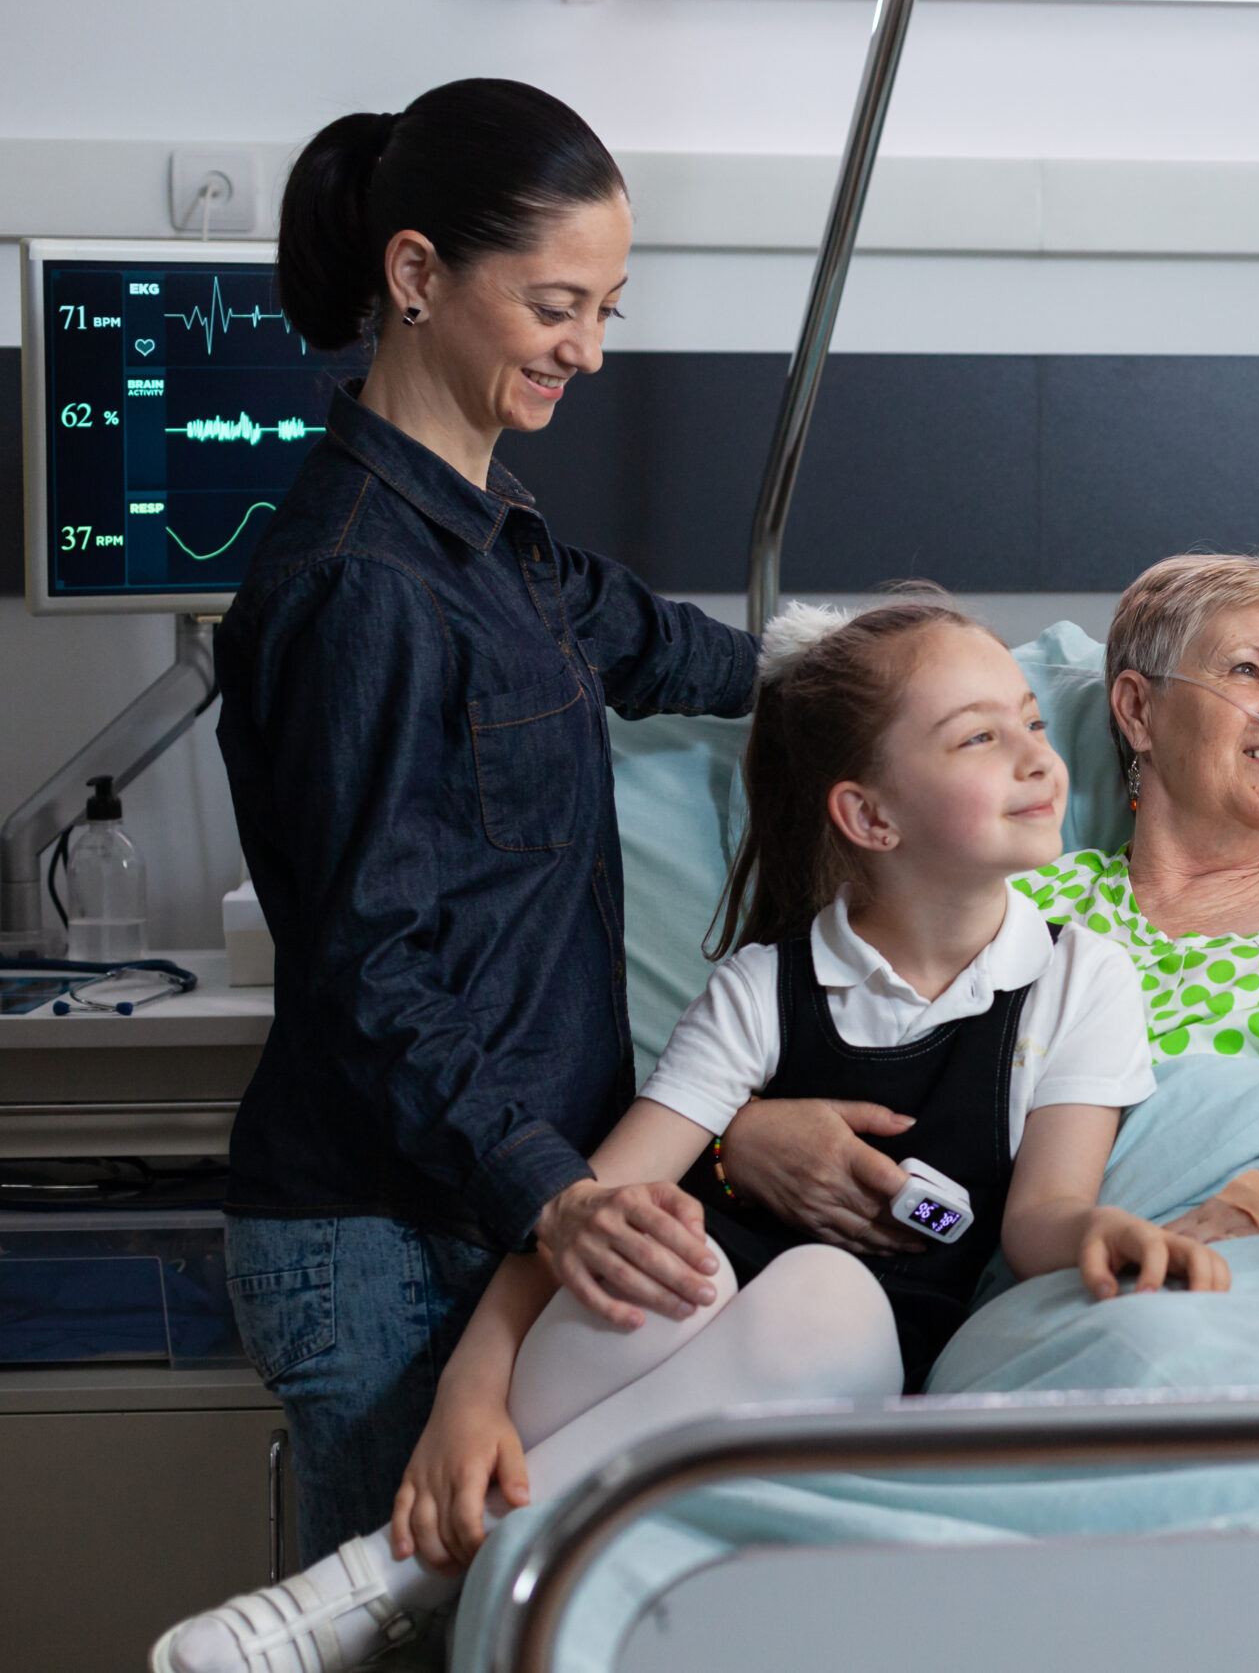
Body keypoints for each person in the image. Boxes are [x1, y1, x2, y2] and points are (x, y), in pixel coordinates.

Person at [160, 600, 1224, 1673]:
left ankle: (384, 1584)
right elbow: (580, 1217)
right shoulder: (763, 987)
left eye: (1034, 724)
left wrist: (1102, 1231)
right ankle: (446, 1574)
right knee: (663, 1251)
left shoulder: (1079, 977)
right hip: (637, 1360)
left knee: (829, 1293)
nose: (1038, 759)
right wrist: (467, 1397)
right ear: (870, 816)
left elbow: (1042, 1213)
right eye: (979, 738)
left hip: (848, 1369)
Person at [213, 79, 757, 1571]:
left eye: (608, 309)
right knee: (391, 1632)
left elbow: (646, 640)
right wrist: (560, 1195)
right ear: (415, 276)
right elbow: (368, 974)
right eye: (556, 305)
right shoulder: (362, 588)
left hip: (487, 1210)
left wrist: (868, 672)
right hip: (385, 1241)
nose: (587, 348)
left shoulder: (487, 534)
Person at [717, 554, 1259, 1248]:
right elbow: (833, 1034)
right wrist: (741, 1139)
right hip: (1094, 1272)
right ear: (1138, 709)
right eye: (1249, 671)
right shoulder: (1024, 908)